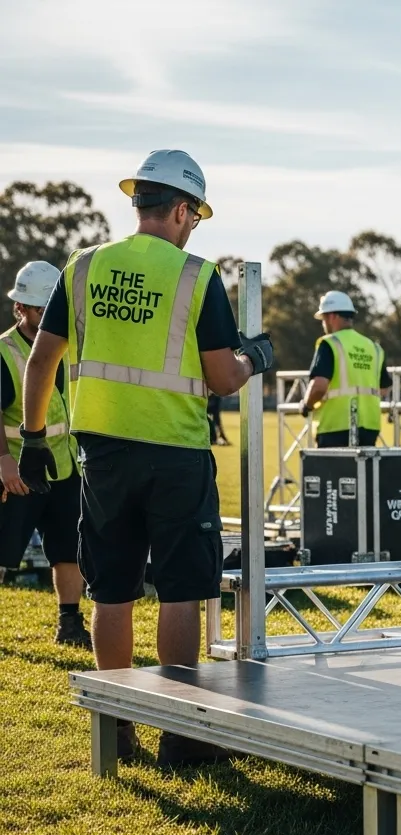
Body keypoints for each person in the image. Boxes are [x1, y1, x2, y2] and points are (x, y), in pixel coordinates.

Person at [18, 149, 274, 766]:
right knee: (182, 587)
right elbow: (220, 378)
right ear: (182, 210)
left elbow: (41, 361)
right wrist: (254, 357)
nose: (194, 228)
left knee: (112, 589)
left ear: (140, 202)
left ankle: (118, 729)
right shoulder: (196, 275)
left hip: (100, 453)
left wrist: (31, 441)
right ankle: (180, 734)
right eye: (196, 216)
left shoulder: (81, 268)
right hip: (177, 454)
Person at [0, 261, 90, 647]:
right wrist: (3, 463)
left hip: (65, 468)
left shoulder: (71, 346)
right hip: (17, 473)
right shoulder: (4, 353)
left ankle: (69, 624)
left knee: (68, 551)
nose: (49, 316)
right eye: (41, 309)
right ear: (20, 308)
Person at [299, 291, 391, 447]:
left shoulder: (330, 343)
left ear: (332, 316)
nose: (323, 324)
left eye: (323, 318)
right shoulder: (373, 347)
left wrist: (306, 405)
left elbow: (319, 386)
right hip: (370, 426)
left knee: (334, 472)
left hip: (334, 426)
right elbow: (384, 388)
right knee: (364, 471)